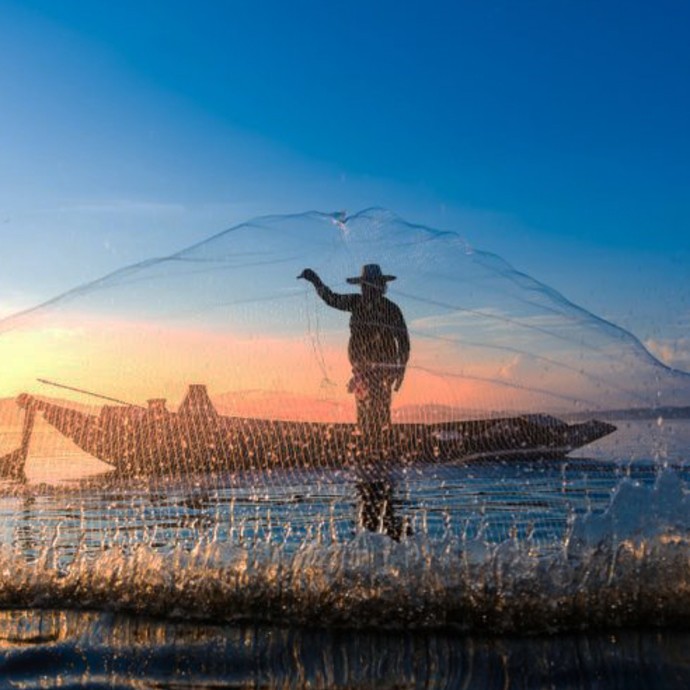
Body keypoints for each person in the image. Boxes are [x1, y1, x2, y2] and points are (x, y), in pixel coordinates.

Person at [298, 264, 410, 438]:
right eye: (366, 285)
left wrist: (400, 368)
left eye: (370, 285)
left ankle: (375, 450)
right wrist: (316, 281)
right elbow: (331, 298)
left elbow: (403, 341)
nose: (368, 289)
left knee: (375, 412)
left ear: (380, 286)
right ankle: (374, 449)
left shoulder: (389, 309)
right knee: (369, 412)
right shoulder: (359, 303)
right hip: (362, 370)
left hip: (380, 371)